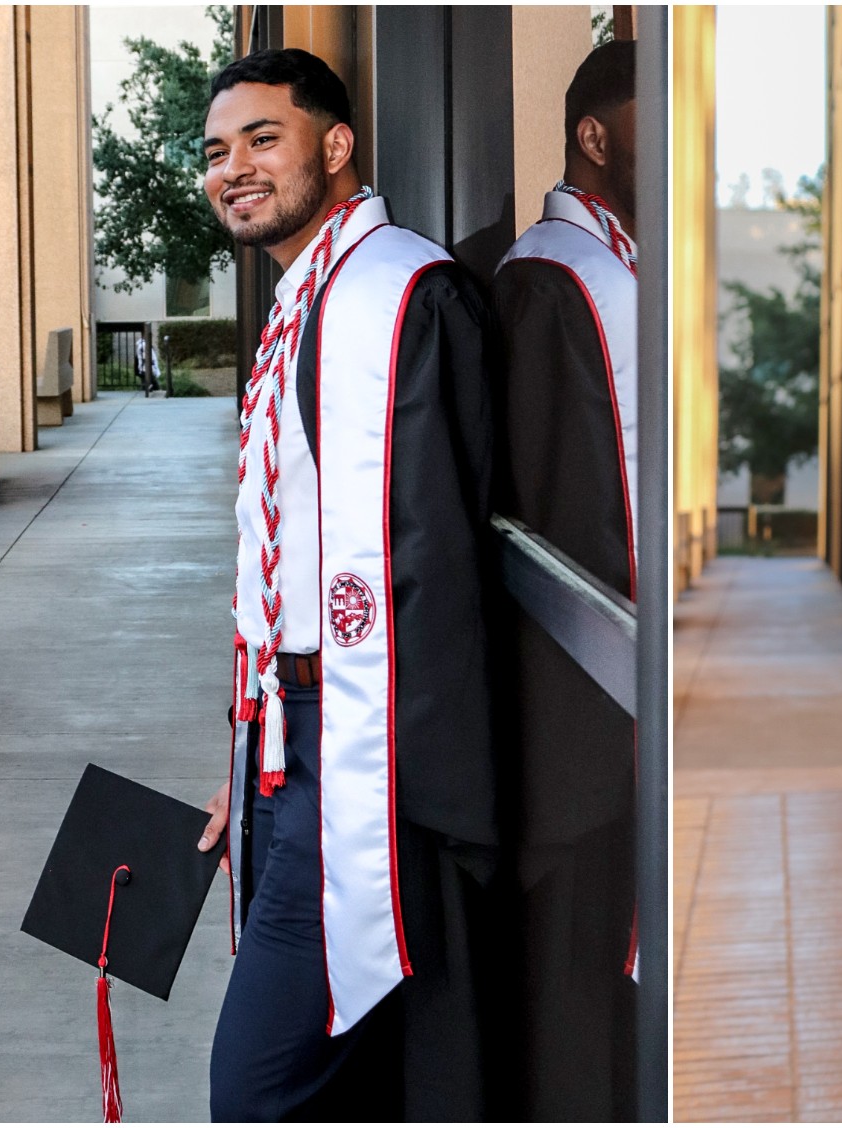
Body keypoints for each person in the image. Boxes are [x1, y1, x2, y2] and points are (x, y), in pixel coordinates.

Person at [191, 48, 500, 1121]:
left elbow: (437, 569)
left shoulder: (401, 295)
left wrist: (427, 799)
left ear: (335, 145)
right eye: (215, 152)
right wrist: (252, 751)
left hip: (370, 752)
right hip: (294, 741)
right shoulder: (297, 307)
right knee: (343, 1082)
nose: (233, 167)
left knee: (257, 1088)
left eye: (261, 139)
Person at [489, 38, 640, 1122]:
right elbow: (547, 526)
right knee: (577, 980)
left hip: (632, 699)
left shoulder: (621, 263)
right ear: (593, 135)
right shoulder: (549, 279)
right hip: (585, 715)